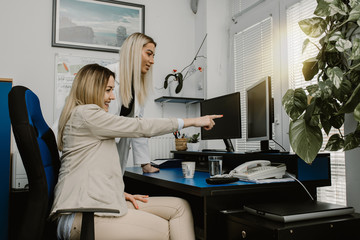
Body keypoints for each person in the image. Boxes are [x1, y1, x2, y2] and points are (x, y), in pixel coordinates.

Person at [50, 63, 221, 240]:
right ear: (92, 89)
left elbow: (89, 169)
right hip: (82, 216)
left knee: (180, 206)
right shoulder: (86, 114)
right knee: (169, 229)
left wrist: (118, 194)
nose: (112, 97)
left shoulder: (85, 117)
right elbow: (139, 126)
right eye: (108, 90)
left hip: (92, 205)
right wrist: (192, 121)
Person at [106, 32, 160, 173]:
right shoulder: (106, 74)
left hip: (114, 146)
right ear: (133, 52)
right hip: (93, 148)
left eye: (153, 56)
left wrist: (145, 164)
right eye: (149, 54)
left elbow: (137, 125)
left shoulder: (137, 85)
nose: (152, 61)